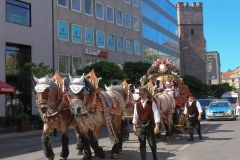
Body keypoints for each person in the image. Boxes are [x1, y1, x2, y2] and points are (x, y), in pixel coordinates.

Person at [132, 87, 160, 160]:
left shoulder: (152, 103)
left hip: (150, 126)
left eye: (144, 94)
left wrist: (157, 126)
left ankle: (155, 157)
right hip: (140, 127)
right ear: (140, 95)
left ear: (147, 94)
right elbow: (135, 116)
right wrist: (134, 126)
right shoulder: (137, 104)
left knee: (152, 144)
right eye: (141, 94)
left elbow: (156, 114)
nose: (143, 95)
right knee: (142, 144)